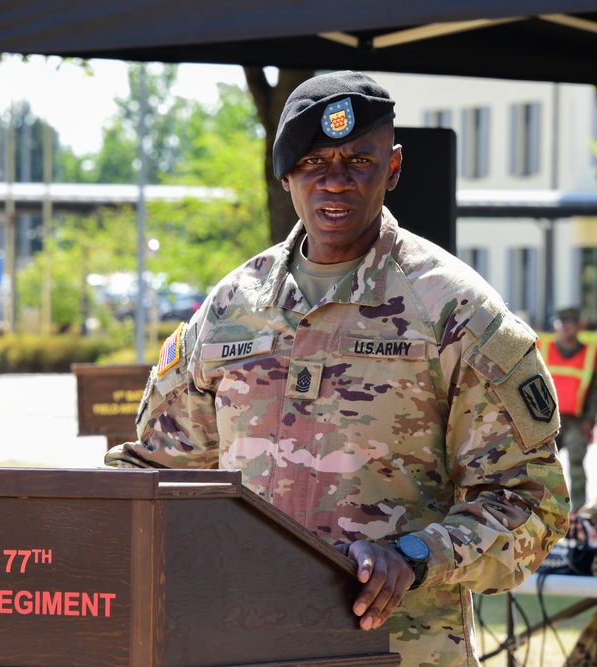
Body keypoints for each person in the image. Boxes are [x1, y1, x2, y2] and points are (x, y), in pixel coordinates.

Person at [105, 70, 569, 667]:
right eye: (315, 161)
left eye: (358, 161)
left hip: (397, 650)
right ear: (285, 172)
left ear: (393, 168)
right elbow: (156, 472)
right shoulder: (230, 308)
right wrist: (48, 520)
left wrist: (418, 555)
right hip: (243, 645)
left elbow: (533, 504)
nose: (336, 181)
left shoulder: (454, 312)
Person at [538, 306, 597, 512]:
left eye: (569, 323)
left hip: (575, 421)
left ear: (578, 326)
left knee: (577, 467)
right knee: (543, 466)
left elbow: (594, 390)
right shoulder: (543, 347)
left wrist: (589, 420)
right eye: (560, 323)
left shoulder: (590, 353)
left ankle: (579, 511)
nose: (564, 327)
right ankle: (544, 510)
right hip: (545, 420)